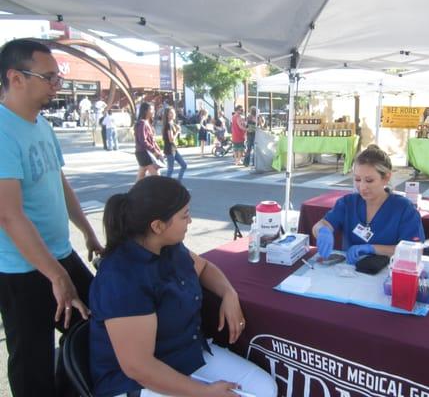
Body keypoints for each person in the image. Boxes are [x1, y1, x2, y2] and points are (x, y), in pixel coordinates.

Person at [89, 176, 278, 397]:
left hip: (183, 355)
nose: (190, 221)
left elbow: (205, 267)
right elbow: (138, 367)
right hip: (132, 382)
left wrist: (229, 293)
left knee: (264, 389)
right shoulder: (122, 277)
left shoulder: (169, 247)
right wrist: (204, 392)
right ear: (157, 226)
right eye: (185, 216)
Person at [0, 38, 103, 397]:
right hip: (21, 272)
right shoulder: (1, 132)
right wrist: (57, 276)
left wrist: (87, 232)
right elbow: (9, 216)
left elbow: (59, 183)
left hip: (60, 255)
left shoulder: (40, 123)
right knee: (33, 366)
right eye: (49, 78)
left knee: (101, 327)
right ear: (16, 78)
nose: (57, 86)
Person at [312, 145, 425, 264]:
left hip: (390, 273)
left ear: (386, 178)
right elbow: (323, 224)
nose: (362, 187)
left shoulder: (403, 208)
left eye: (369, 180)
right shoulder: (348, 203)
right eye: (357, 179)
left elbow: (415, 250)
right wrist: (323, 231)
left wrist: (373, 248)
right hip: (349, 273)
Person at [134, 102, 164, 181]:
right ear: (145, 111)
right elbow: (143, 141)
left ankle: (134, 192)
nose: (153, 111)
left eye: (154, 109)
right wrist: (154, 151)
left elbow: (152, 141)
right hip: (144, 153)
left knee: (141, 177)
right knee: (157, 177)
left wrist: (158, 151)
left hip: (144, 153)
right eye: (151, 109)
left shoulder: (148, 123)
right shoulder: (142, 123)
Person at [162, 107, 187, 181]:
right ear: (167, 115)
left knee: (184, 165)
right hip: (169, 149)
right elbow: (171, 139)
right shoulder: (168, 125)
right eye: (171, 113)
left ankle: (178, 183)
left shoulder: (172, 124)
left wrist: (178, 130)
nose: (173, 114)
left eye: (174, 112)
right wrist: (177, 131)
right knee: (170, 169)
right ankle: (166, 185)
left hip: (174, 149)